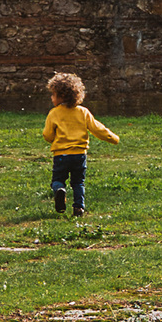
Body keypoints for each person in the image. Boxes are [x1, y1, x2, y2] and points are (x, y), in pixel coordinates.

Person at [41, 71, 120, 216]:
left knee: (57, 180)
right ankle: (79, 207)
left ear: (61, 96)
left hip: (61, 155)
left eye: (53, 94)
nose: (51, 98)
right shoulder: (83, 112)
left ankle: (59, 191)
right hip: (79, 155)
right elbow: (98, 129)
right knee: (78, 183)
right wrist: (113, 138)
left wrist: (54, 139)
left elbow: (47, 134)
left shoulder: (54, 113)